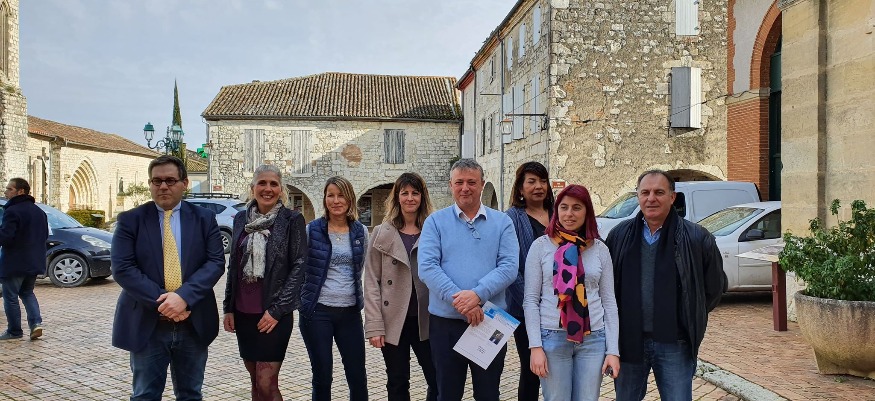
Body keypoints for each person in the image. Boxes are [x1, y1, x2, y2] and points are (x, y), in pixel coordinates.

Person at [111, 155, 225, 400]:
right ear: (150, 184)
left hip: (193, 322)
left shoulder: (204, 218)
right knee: (145, 395)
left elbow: (215, 262)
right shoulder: (130, 220)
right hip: (147, 323)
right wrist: (166, 302)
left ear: (184, 183)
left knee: (190, 395)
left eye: (170, 180)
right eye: (157, 181)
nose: (163, 186)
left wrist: (183, 298)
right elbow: (123, 268)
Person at [604, 170, 725, 400]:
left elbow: (714, 288)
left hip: (675, 343)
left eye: (659, 192)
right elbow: (608, 287)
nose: (651, 198)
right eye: (645, 193)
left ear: (672, 197)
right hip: (628, 341)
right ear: (638, 196)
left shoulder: (697, 237)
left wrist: (688, 314)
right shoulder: (618, 236)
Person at [418, 158, 519, 401]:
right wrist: (463, 303)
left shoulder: (502, 222)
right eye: (459, 182)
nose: (465, 188)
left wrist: (477, 295)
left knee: (488, 393)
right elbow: (427, 267)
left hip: (490, 321)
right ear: (451, 185)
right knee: (447, 393)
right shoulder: (435, 222)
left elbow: (509, 267)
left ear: (482, 184)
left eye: (472, 182)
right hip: (445, 324)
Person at [523, 184, 620, 401]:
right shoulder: (540, 246)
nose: (569, 213)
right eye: (564, 207)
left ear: (587, 212)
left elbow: (609, 301)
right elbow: (530, 300)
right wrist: (535, 346)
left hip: (593, 339)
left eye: (577, 207)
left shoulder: (600, 249)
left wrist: (613, 350)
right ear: (556, 210)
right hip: (552, 337)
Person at [223, 164, 307, 401]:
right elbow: (234, 266)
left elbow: (299, 266)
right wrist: (228, 307)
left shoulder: (292, 220)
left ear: (281, 190)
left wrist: (277, 311)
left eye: (273, 184)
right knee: (254, 382)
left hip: (273, 315)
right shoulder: (241, 219)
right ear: (253, 188)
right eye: (262, 183)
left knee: (266, 382)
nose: (267, 188)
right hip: (243, 313)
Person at [364, 172, 438, 401]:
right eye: (404, 193)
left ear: (422, 197)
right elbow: (371, 281)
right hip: (394, 319)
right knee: (397, 381)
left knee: (437, 378)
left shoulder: (433, 230)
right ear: (396, 197)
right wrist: (374, 326)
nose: (410, 198)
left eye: (415, 193)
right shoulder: (381, 233)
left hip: (426, 318)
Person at [299, 176, 369, 401]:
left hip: (350, 313)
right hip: (317, 312)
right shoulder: (312, 230)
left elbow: (360, 269)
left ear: (350, 200)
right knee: (322, 376)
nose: (336, 201)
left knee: (357, 376)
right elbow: (300, 269)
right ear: (325, 199)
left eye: (341, 195)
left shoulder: (361, 232)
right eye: (331, 195)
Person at [505, 161, 554, 401]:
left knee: (558, 368)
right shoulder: (512, 218)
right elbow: (511, 267)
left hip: (561, 306)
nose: (538, 187)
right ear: (520, 188)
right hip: (525, 307)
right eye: (531, 181)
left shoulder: (559, 213)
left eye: (543, 181)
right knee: (531, 368)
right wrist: (532, 302)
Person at [0, 178, 47, 341]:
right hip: (34, 260)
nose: (6, 192)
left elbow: (6, 237)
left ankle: (14, 331)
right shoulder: (39, 211)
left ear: (21, 191)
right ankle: (36, 324)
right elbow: (44, 236)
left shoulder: (12, 211)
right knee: (27, 293)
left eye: (9, 189)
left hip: (15, 262)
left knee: (10, 296)